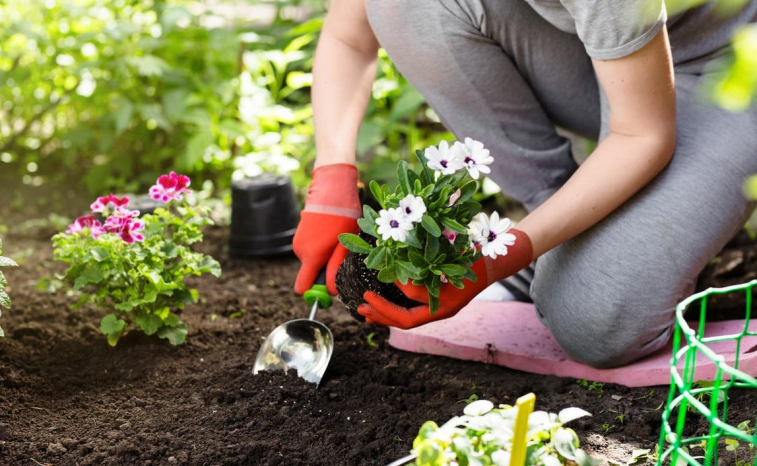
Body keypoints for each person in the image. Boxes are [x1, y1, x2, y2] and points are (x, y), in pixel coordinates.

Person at [292, 0, 757, 368]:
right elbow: (349, 36)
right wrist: (332, 177)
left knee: (593, 323)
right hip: (611, 60)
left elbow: (642, 135)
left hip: (728, 67)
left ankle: (587, 254)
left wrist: (496, 261)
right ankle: (560, 236)